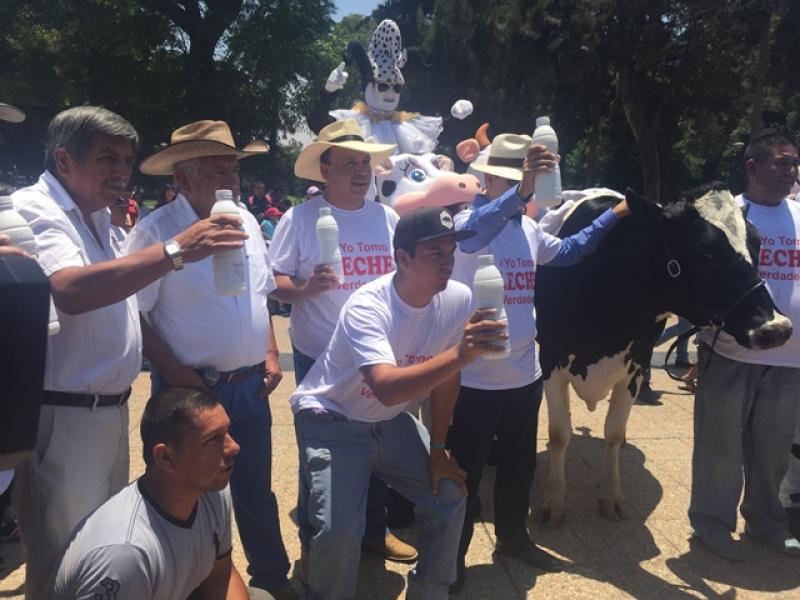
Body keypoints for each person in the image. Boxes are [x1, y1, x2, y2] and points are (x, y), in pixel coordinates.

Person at [10, 106, 246, 600]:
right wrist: (175, 250)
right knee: (63, 557)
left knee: (102, 544)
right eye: (106, 158)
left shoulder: (101, 218)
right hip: (66, 413)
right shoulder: (37, 209)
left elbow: (124, 303)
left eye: (126, 159)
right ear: (63, 159)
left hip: (107, 410)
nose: (121, 171)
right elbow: (68, 291)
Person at [292, 206, 508, 598]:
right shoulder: (367, 305)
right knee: (340, 531)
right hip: (332, 420)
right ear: (402, 259)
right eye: (435, 254)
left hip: (389, 423)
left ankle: (431, 592)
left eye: (450, 252)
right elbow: (387, 387)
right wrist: (461, 353)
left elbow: (446, 381)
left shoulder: (457, 299)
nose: (447, 263)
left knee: (450, 493)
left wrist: (439, 449)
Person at [447, 134, 630, 592]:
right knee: (464, 470)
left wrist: (611, 216)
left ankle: (512, 537)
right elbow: (478, 230)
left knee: (519, 464)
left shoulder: (528, 230)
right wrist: (524, 190)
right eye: (508, 179)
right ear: (486, 179)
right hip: (474, 380)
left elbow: (569, 251)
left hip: (523, 374)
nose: (519, 187)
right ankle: (452, 555)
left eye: (523, 180)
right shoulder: (468, 222)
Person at [127, 119, 294, 598]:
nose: (230, 180)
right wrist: (180, 379)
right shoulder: (156, 233)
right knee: (191, 494)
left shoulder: (243, 221)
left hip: (249, 387)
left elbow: (259, 295)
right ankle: (192, 583)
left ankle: (270, 578)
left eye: (233, 170)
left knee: (256, 492)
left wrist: (269, 353)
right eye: (216, 170)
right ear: (182, 178)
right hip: (192, 390)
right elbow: (136, 316)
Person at [269, 119, 419, 566]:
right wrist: (302, 289)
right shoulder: (300, 218)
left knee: (377, 439)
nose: (360, 171)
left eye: (366, 163)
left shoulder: (387, 218)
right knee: (320, 450)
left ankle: (374, 529)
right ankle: (318, 538)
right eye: (349, 163)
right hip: (320, 355)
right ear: (325, 170)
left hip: (377, 353)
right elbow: (273, 282)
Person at [689, 130, 800, 562]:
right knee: (720, 447)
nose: (789, 171)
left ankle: (767, 522)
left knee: (773, 449)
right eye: (780, 162)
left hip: (790, 360)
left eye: (793, 163)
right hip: (732, 352)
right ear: (751, 167)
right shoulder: (727, 215)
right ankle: (712, 525)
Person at [52, 387, 273, 600]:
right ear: (165, 457)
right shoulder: (125, 554)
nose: (234, 447)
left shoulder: (211, 489)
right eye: (213, 439)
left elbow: (219, 577)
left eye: (227, 431)